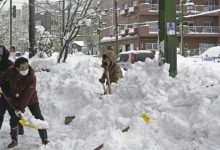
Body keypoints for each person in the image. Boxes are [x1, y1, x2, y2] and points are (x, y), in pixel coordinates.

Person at [0, 57, 49, 148]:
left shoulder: (31, 75)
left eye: (26, 66)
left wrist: (20, 108)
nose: (25, 69)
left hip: (31, 99)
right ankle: (14, 139)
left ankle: (44, 139)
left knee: (38, 116)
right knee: (14, 118)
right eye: (22, 68)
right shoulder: (11, 71)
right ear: (17, 68)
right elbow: (2, 77)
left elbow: (28, 94)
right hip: (16, 98)